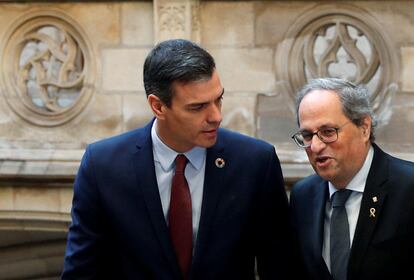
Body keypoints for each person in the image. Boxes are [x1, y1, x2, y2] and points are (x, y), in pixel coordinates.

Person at [62, 38, 299, 279]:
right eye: (198, 107)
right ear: (158, 106)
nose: (216, 116)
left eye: (218, 99)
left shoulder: (256, 163)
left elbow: (280, 267)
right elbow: (81, 272)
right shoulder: (102, 166)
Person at [289, 77, 414, 280]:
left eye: (328, 132)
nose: (316, 146)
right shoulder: (303, 196)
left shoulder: (408, 188)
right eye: (308, 135)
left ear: (364, 128)